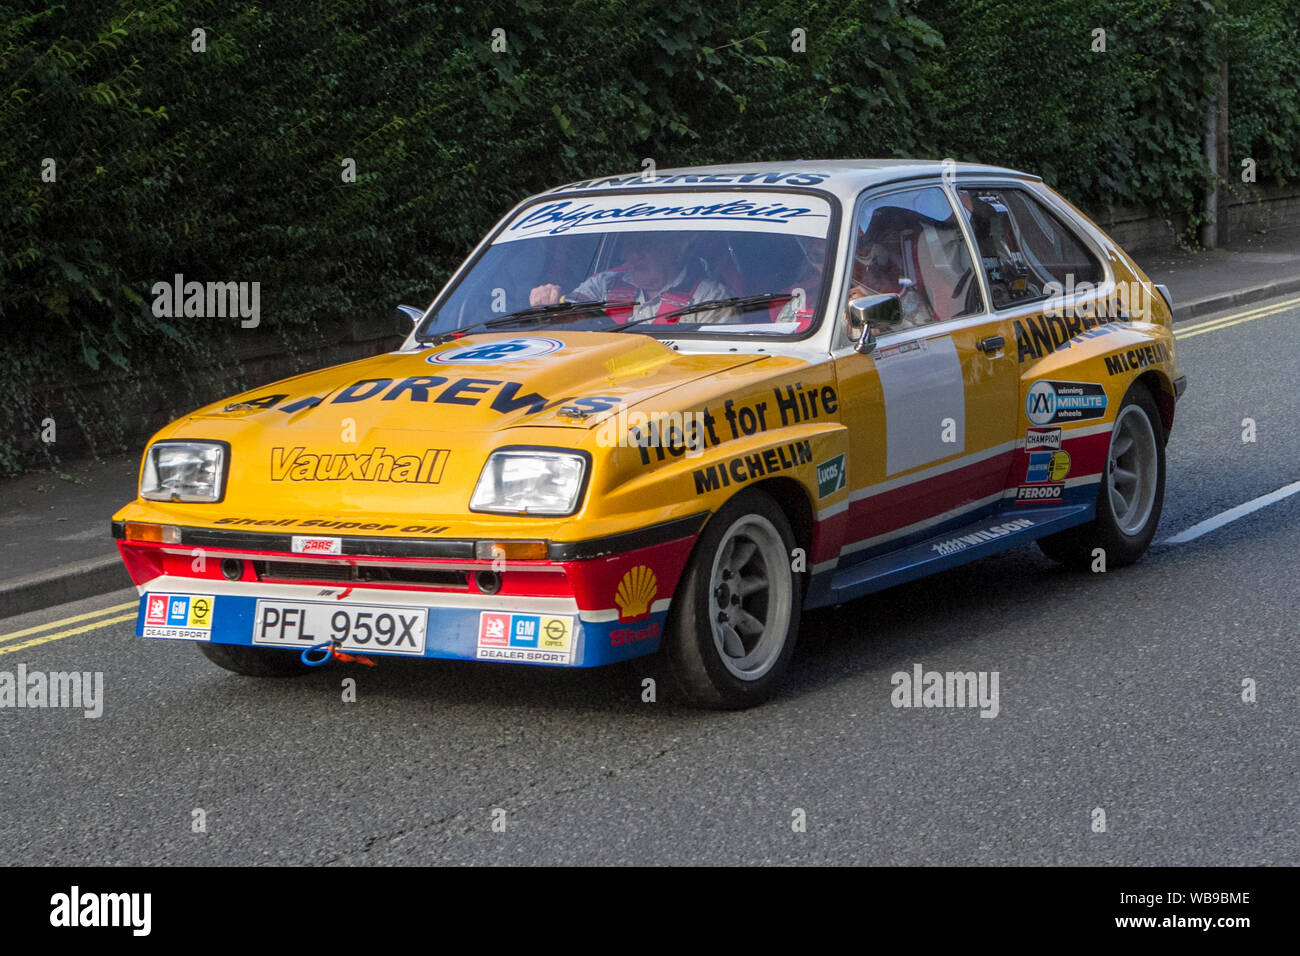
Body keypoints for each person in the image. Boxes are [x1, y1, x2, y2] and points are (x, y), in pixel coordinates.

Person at [529, 231, 736, 324]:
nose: (634, 255)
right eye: (630, 245)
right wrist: (547, 304)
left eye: (645, 245)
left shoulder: (710, 298)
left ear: (677, 249)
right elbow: (567, 315)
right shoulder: (605, 285)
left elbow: (710, 366)